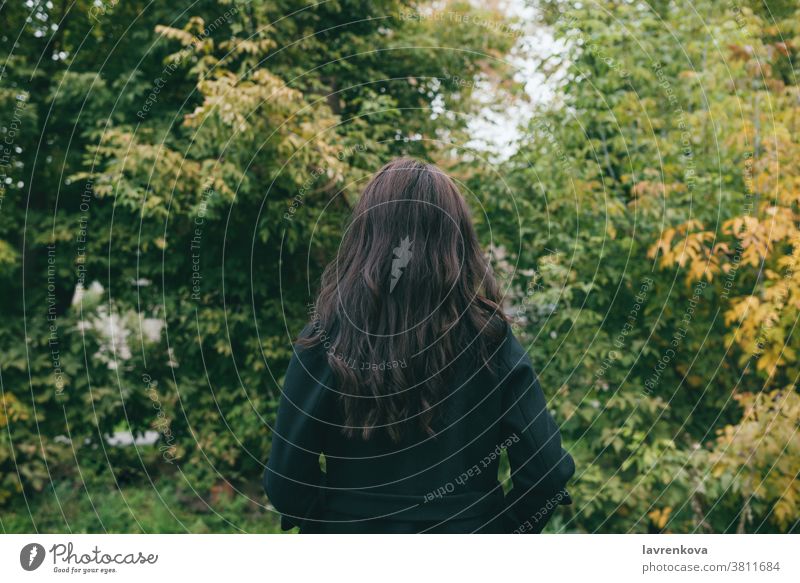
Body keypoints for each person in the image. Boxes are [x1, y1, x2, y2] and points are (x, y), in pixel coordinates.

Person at [264, 157, 574, 533]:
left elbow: (285, 482)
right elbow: (546, 471)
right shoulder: (489, 340)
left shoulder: (328, 336)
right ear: (456, 240)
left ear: (367, 238)